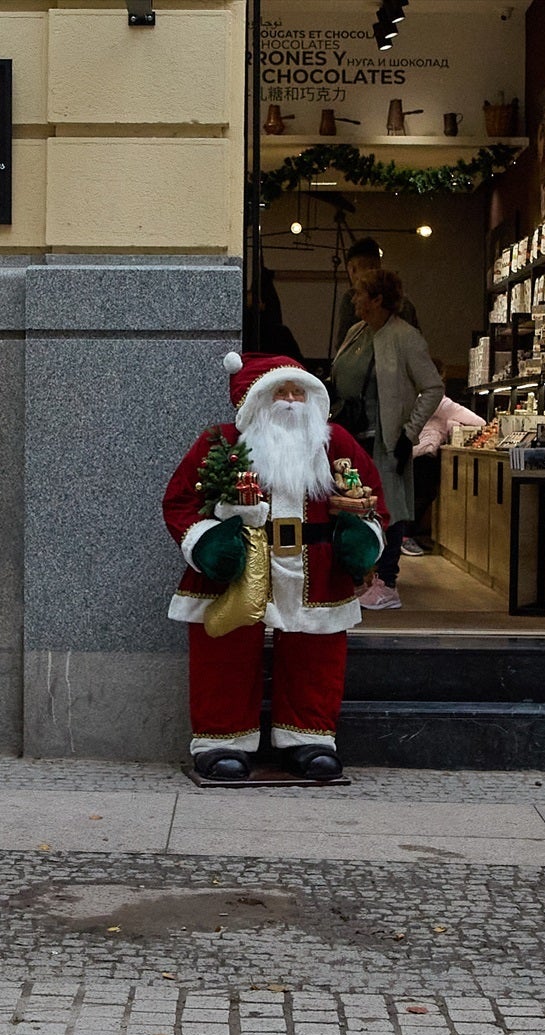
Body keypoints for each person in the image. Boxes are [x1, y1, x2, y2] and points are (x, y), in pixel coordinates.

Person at [162, 352, 390, 781]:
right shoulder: (221, 442)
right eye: (279, 392)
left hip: (316, 568)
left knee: (316, 654)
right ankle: (221, 741)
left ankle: (308, 738)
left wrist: (363, 537)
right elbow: (181, 501)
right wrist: (206, 543)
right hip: (240, 564)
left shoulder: (335, 442)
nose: (289, 400)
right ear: (256, 401)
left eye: (297, 392)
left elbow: (372, 497)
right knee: (224, 653)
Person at [333, 268, 443, 610]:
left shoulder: (406, 337)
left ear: (378, 299)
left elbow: (433, 387)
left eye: (359, 294)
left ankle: (387, 581)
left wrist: (409, 432)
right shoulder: (356, 332)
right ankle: (361, 578)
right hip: (352, 434)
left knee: (388, 506)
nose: (353, 299)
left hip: (386, 438)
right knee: (353, 504)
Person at [333, 237, 418, 338]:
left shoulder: (351, 299)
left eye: (358, 294)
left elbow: (344, 340)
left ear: (352, 268)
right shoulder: (402, 301)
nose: (354, 299)